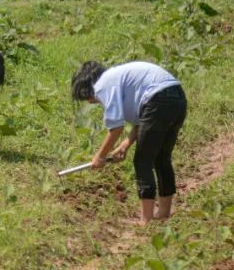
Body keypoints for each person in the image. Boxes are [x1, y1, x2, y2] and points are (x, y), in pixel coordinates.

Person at [70, 61, 187, 224]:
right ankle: (163, 212)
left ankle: (145, 220)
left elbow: (116, 128)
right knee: (161, 158)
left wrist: (99, 156)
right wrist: (125, 144)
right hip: (177, 98)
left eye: (86, 97)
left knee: (142, 161)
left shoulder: (103, 85)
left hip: (158, 100)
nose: (90, 101)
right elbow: (143, 120)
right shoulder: (118, 79)